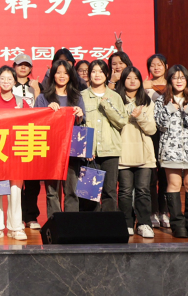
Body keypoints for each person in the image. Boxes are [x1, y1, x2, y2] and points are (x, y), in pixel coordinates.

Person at [36, 60, 86, 218]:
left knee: (71, 190)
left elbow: (82, 121)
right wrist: (47, 111)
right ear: (53, 75)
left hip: (72, 149)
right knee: (52, 191)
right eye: (58, 72)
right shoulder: (43, 97)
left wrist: (79, 115)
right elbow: (36, 122)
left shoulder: (76, 97)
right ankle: (55, 223)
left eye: (65, 73)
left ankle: (71, 224)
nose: (62, 76)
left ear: (70, 76)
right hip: (51, 149)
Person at [0, 66, 29, 241]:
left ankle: (15, 227)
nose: (6, 81)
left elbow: (33, 121)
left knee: (15, 191)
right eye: (2, 78)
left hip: (16, 151)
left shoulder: (21, 103)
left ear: (14, 81)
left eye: (9, 78)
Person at [80, 59, 128, 213]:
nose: (97, 75)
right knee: (88, 194)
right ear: (89, 75)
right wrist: (87, 148)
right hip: (89, 153)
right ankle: (90, 225)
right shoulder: (81, 96)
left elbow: (122, 122)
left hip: (110, 150)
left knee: (110, 191)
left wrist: (107, 105)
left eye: (101, 71)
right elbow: (79, 125)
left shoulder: (115, 96)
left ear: (107, 74)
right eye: (93, 71)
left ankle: (108, 224)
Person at [115, 66, 157, 238]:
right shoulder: (116, 99)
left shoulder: (147, 101)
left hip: (144, 153)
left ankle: (144, 223)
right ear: (122, 80)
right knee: (125, 191)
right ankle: (126, 224)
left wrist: (139, 116)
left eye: (136, 78)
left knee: (143, 190)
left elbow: (152, 129)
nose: (132, 81)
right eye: (128, 78)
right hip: (123, 151)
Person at [154, 65, 188, 238]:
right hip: (171, 150)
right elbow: (159, 125)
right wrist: (170, 109)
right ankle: (178, 224)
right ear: (170, 80)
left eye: (182, 77)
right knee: (174, 184)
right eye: (175, 77)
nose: (179, 81)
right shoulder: (162, 100)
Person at [12, 53, 42, 228]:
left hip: (33, 135)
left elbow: (42, 109)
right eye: (20, 64)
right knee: (15, 181)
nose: (23, 68)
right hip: (13, 136)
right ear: (14, 67)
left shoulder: (37, 86)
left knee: (32, 181)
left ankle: (31, 217)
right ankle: (16, 218)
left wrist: (37, 90)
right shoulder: (8, 84)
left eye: (27, 65)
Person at [144, 54, 169, 227]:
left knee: (166, 175)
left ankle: (164, 212)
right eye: (153, 65)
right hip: (151, 134)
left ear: (166, 66)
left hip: (168, 135)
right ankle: (153, 212)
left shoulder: (173, 84)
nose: (156, 68)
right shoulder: (144, 85)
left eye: (159, 64)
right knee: (151, 175)